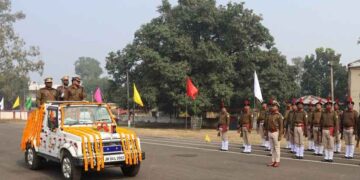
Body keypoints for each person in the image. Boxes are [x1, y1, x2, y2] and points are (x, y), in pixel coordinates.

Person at [265, 99, 283, 168]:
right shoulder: (269, 115)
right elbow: (267, 124)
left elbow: (281, 126)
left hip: (276, 132)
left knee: (277, 147)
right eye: (271, 106)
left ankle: (277, 161)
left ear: (277, 107)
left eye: (273, 106)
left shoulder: (279, 115)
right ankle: (273, 160)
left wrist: (280, 135)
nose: (272, 107)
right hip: (270, 132)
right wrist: (266, 133)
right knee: (272, 148)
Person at [320, 98, 339, 162]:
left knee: (330, 144)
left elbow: (336, 123)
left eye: (329, 105)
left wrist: (335, 131)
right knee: (325, 144)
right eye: (327, 105)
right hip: (324, 129)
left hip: (331, 129)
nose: (328, 106)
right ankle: (326, 157)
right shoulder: (323, 113)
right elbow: (321, 122)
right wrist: (320, 130)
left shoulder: (334, 113)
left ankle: (330, 157)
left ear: (331, 106)